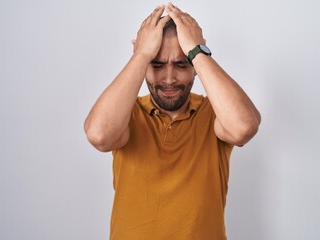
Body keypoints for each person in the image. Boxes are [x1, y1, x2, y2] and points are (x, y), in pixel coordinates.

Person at [84, 3, 261, 240]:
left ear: (196, 64)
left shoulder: (214, 114)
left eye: (181, 64)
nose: (169, 79)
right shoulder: (128, 115)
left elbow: (243, 127)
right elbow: (99, 135)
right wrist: (142, 53)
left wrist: (196, 50)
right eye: (157, 65)